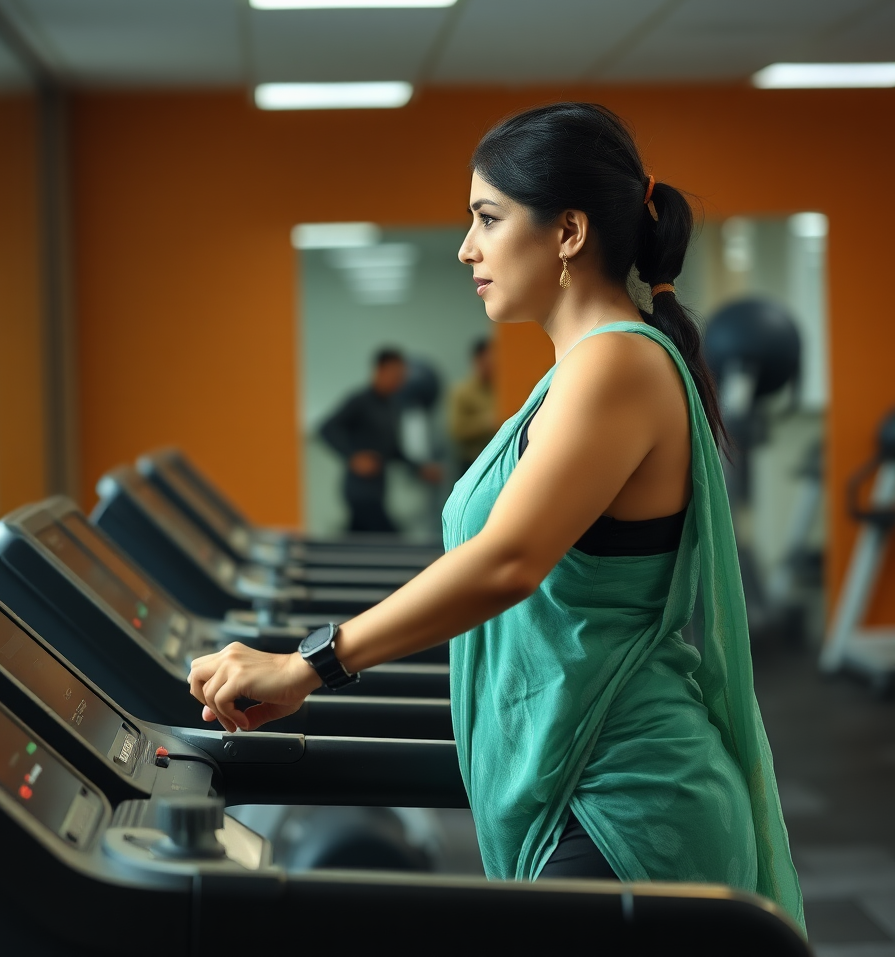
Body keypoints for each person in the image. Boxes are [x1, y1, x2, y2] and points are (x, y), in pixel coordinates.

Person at [188, 103, 804, 929]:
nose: (467, 247)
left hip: (625, 800)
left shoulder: (618, 364)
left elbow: (509, 563)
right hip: (581, 779)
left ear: (568, 233)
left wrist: (309, 665)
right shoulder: (578, 373)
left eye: (488, 218)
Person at [319, 347, 441, 534]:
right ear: (379, 370)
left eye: (402, 376)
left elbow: (392, 450)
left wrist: (419, 468)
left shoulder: (393, 406)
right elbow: (327, 429)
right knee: (389, 535)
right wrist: (353, 457)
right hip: (358, 490)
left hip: (378, 490)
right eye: (395, 374)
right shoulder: (359, 401)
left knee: (359, 538)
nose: (399, 381)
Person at [448, 338, 497, 476]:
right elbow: (456, 429)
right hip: (472, 462)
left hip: (497, 460)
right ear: (478, 361)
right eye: (489, 360)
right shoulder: (462, 391)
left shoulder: (501, 389)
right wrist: (488, 421)